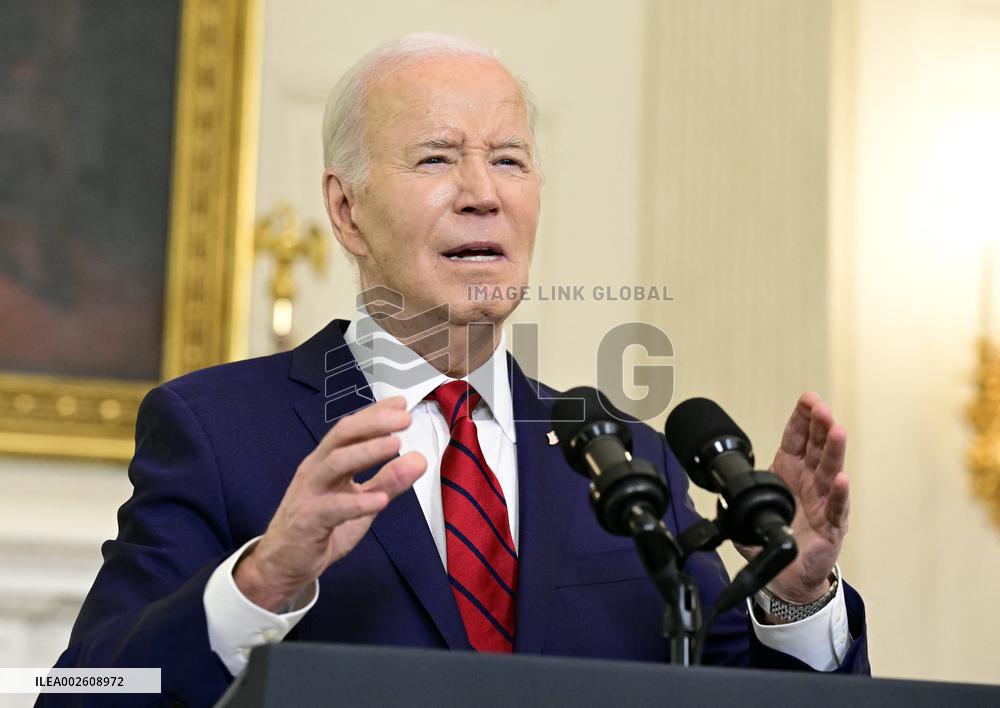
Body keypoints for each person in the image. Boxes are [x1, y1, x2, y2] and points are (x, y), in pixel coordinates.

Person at [45, 33, 868, 707]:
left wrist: (793, 594)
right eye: (437, 159)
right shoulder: (219, 430)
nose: (482, 193)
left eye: (509, 161)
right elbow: (84, 691)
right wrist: (262, 583)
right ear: (346, 209)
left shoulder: (628, 462)